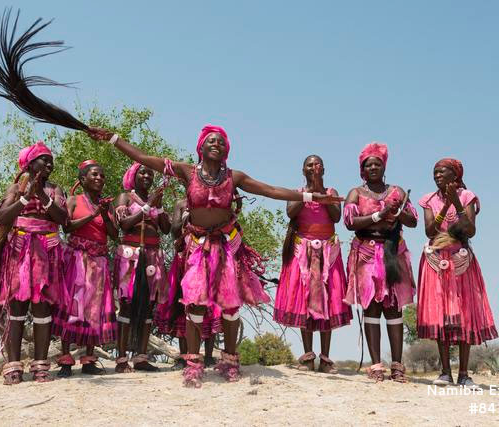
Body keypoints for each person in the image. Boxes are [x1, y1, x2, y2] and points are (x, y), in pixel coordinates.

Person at [87, 124, 342, 387]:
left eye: (221, 142)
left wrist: (313, 197)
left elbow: (270, 190)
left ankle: (230, 361)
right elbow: (143, 158)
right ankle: (193, 363)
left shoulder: (235, 177)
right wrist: (114, 138)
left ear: (226, 151)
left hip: (225, 245)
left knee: (230, 306)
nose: (216, 144)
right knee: (194, 305)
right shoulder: (187, 171)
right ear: (200, 147)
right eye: (211, 141)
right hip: (198, 245)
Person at [417, 158, 498, 387]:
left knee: (464, 314)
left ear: (455, 174)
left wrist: (457, 204)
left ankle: (464, 374)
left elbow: (470, 230)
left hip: (461, 259)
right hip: (435, 259)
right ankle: (445, 372)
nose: (437, 176)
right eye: (434, 172)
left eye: (442, 172)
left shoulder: (467, 196)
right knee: (440, 315)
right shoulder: (429, 200)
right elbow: (429, 230)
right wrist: (444, 206)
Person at [343, 142, 417, 383]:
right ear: (362, 170)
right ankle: (376, 366)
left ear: (383, 167)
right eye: (368, 164)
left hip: (392, 252)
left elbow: (413, 221)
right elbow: (350, 222)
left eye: (377, 163)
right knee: (371, 307)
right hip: (365, 253)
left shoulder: (397, 192)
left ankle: (397, 365)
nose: (373, 167)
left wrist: (396, 212)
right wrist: (379, 215)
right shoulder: (356, 193)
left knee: (393, 307)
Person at [0, 141, 68, 384]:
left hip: (47, 251)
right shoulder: (16, 187)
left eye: (51, 160)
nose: (49, 163)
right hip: (20, 249)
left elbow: (62, 218)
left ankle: (40, 366)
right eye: (44, 159)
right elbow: (4, 216)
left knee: (43, 309)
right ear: (29, 163)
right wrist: (26, 198)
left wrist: (42, 197)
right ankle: (13, 366)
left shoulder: (54, 189)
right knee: (16, 308)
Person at [273, 155, 352, 373]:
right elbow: (291, 212)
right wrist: (310, 194)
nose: (313, 167)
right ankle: (308, 356)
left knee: (329, 300)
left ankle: (325, 358)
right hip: (302, 252)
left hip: (328, 252)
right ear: (303, 170)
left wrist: (322, 193)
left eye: (317, 165)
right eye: (309, 165)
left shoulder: (331, 193)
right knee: (303, 301)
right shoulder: (297, 192)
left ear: (324, 169)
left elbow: (336, 217)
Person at [52, 160, 118, 377]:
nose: (99, 179)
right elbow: (67, 226)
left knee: (94, 309)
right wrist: (93, 214)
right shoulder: (73, 200)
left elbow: (114, 235)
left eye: (102, 176)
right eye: (94, 175)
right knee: (73, 305)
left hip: (98, 261)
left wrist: (105, 214)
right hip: (78, 259)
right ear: (82, 180)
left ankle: (89, 360)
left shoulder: (106, 205)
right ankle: (65, 360)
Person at [113, 162, 171, 372]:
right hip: (130, 254)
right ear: (133, 176)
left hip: (153, 256)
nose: (147, 175)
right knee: (127, 304)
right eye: (142, 172)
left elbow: (165, 228)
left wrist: (160, 205)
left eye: (150, 173)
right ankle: (121, 359)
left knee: (148, 305)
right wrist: (147, 207)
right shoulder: (125, 197)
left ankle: (141, 357)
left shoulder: (155, 200)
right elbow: (124, 224)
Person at [154, 198, 221, 369]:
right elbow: (175, 231)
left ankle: (208, 356)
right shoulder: (181, 204)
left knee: (211, 305)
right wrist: (189, 216)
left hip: (211, 257)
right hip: (186, 259)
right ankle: (185, 356)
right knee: (183, 306)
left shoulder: (215, 201)